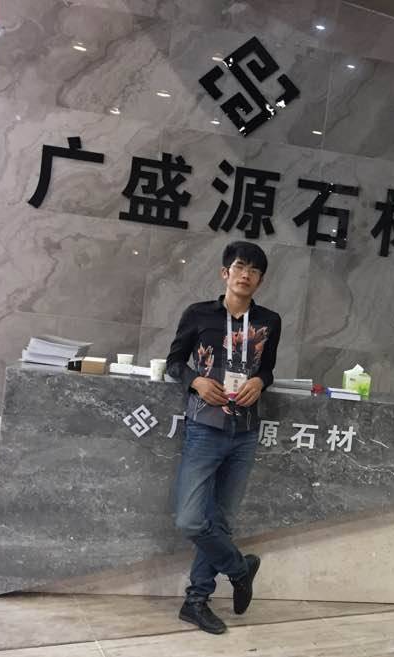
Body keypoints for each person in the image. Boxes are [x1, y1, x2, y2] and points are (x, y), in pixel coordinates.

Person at [166, 241, 281, 635]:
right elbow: (174, 362)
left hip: (245, 432)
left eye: (254, 270)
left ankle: (196, 601)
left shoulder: (269, 320)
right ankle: (239, 569)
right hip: (204, 426)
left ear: (260, 280)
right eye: (240, 266)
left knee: (221, 520)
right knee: (191, 520)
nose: (246, 274)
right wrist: (196, 381)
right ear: (225, 273)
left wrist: (260, 382)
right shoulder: (199, 314)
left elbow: (268, 369)